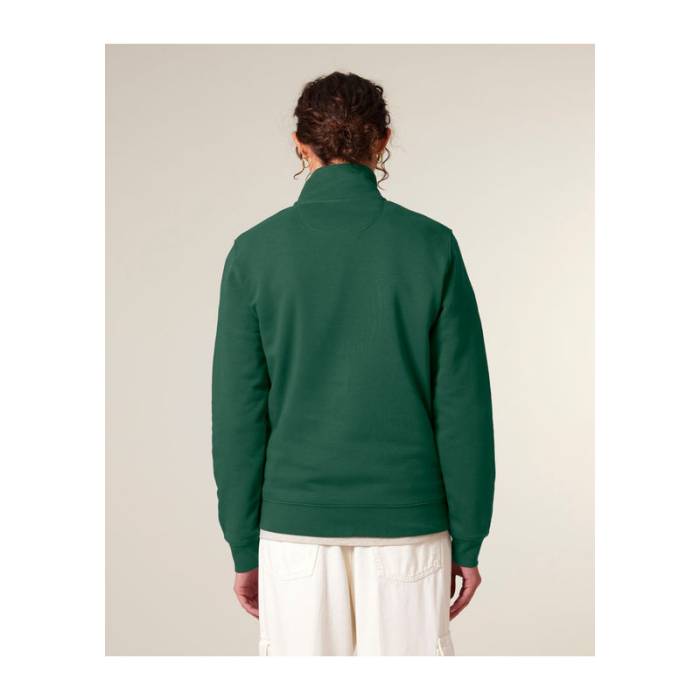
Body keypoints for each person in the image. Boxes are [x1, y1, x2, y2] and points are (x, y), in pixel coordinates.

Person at [212, 71, 495, 656]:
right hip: (409, 530)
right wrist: (467, 540)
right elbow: (463, 407)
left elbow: (237, 414)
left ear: (300, 143)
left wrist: (243, 544)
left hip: (294, 535)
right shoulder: (431, 245)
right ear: (382, 139)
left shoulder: (254, 252)